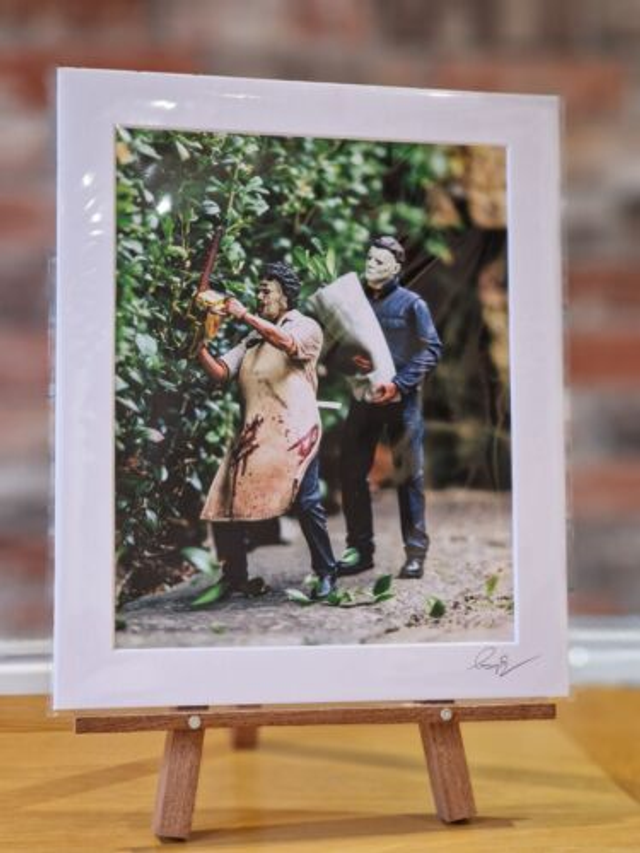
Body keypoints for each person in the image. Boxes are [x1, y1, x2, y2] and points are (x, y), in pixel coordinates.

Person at [198, 262, 338, 598]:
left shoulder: (307, 327)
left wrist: (245, 316)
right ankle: (235, 576)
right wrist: (197, 345)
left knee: (306, 502)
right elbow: (220, 372)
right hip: (256, 434)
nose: (259, 296)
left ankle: (327, 571)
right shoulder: (251, 339)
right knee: (224, 501)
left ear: (285, 296)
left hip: (296, 432)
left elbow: (288, 344)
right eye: (258, 289)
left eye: (266, 290)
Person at [339, 236, 442, 580]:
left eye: (380, 262)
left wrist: (399, 383)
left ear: (397, 268)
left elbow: (431, 350)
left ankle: (415, 553)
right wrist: (349, 361)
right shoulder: (355, 305)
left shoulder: (413, 304)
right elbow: (337, 348)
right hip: (364, 400)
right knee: (352, 474)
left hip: (403, 404)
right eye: (369, 258)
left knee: (409, 476)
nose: (371, 266)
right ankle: (359, 551)